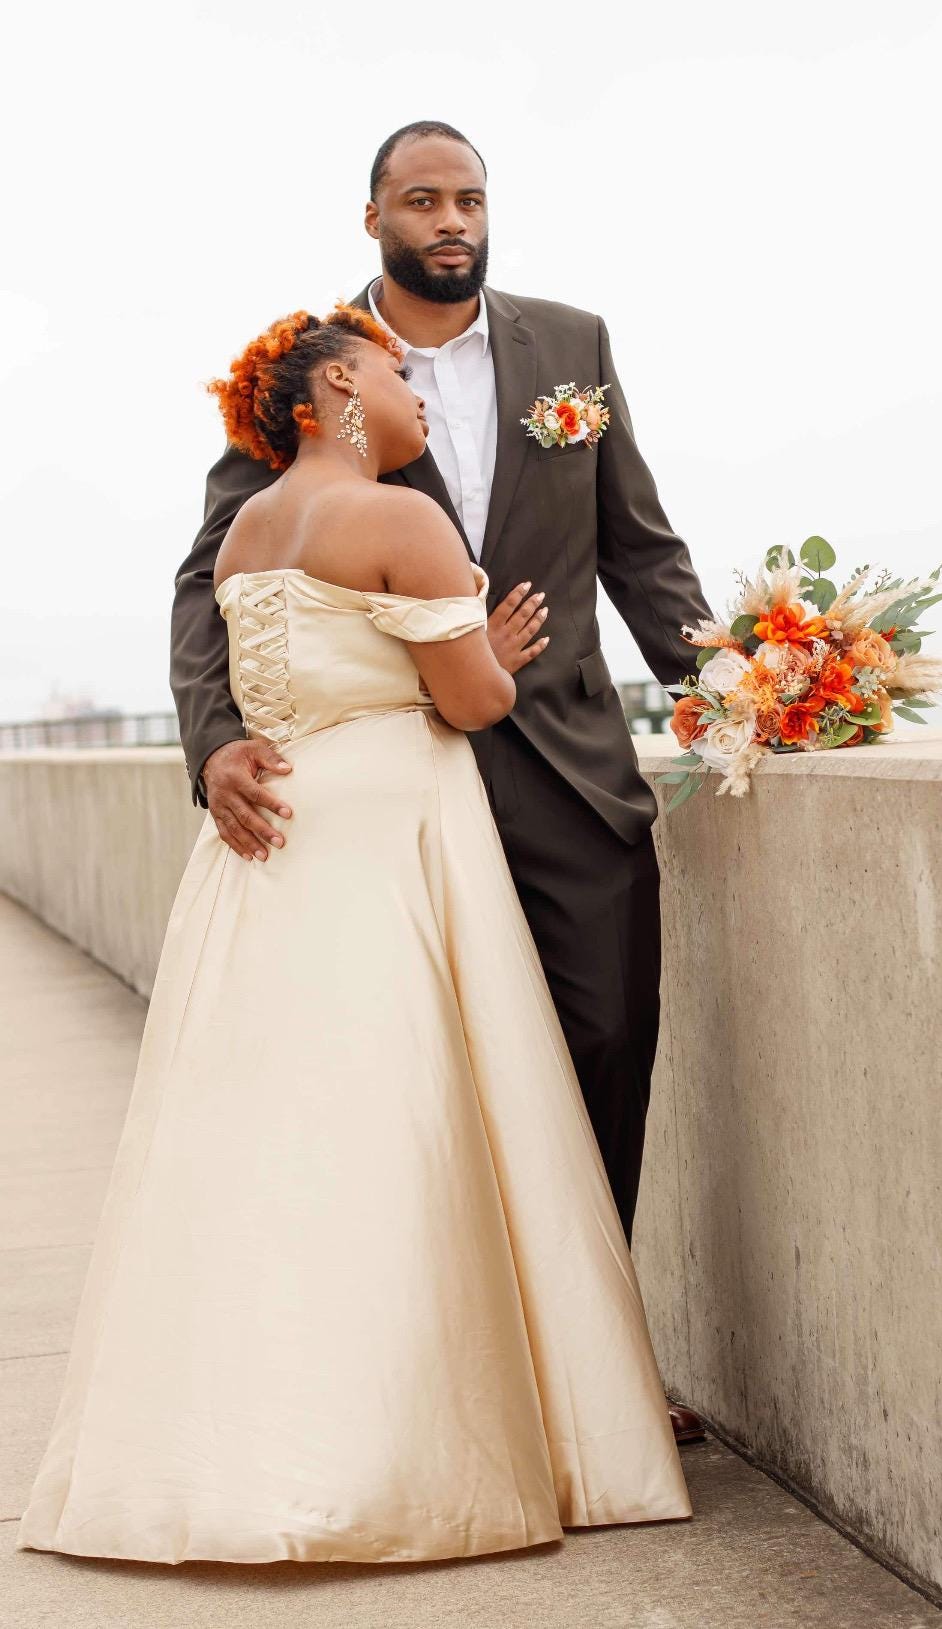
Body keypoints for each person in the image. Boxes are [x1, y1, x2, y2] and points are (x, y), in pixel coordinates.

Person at [16, 302, 692, 1565]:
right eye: (392, 379)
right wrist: (480, 651)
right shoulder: (399, 516)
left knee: (276, 1146)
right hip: (393, 844)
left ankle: (239, 1439)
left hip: (273, 856)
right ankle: (415, 1434)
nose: (416, 400)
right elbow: (473, 697)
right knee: (407, 1133)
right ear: (334, 389)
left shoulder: (252, 534)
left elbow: (280, 655)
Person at [170, 120, 714, 1443]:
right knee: (415, 1085)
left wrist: (733, 694)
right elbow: (218, 575)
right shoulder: (319, 373)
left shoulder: (566, 349)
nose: (450, 218)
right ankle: (464, 1380)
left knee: (601, 1041)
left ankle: (588, 1365)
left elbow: (637, 547)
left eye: (468, 196)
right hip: (391, 793)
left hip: (573, 774)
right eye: (422, 199)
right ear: (375, 220)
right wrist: (214, 739)